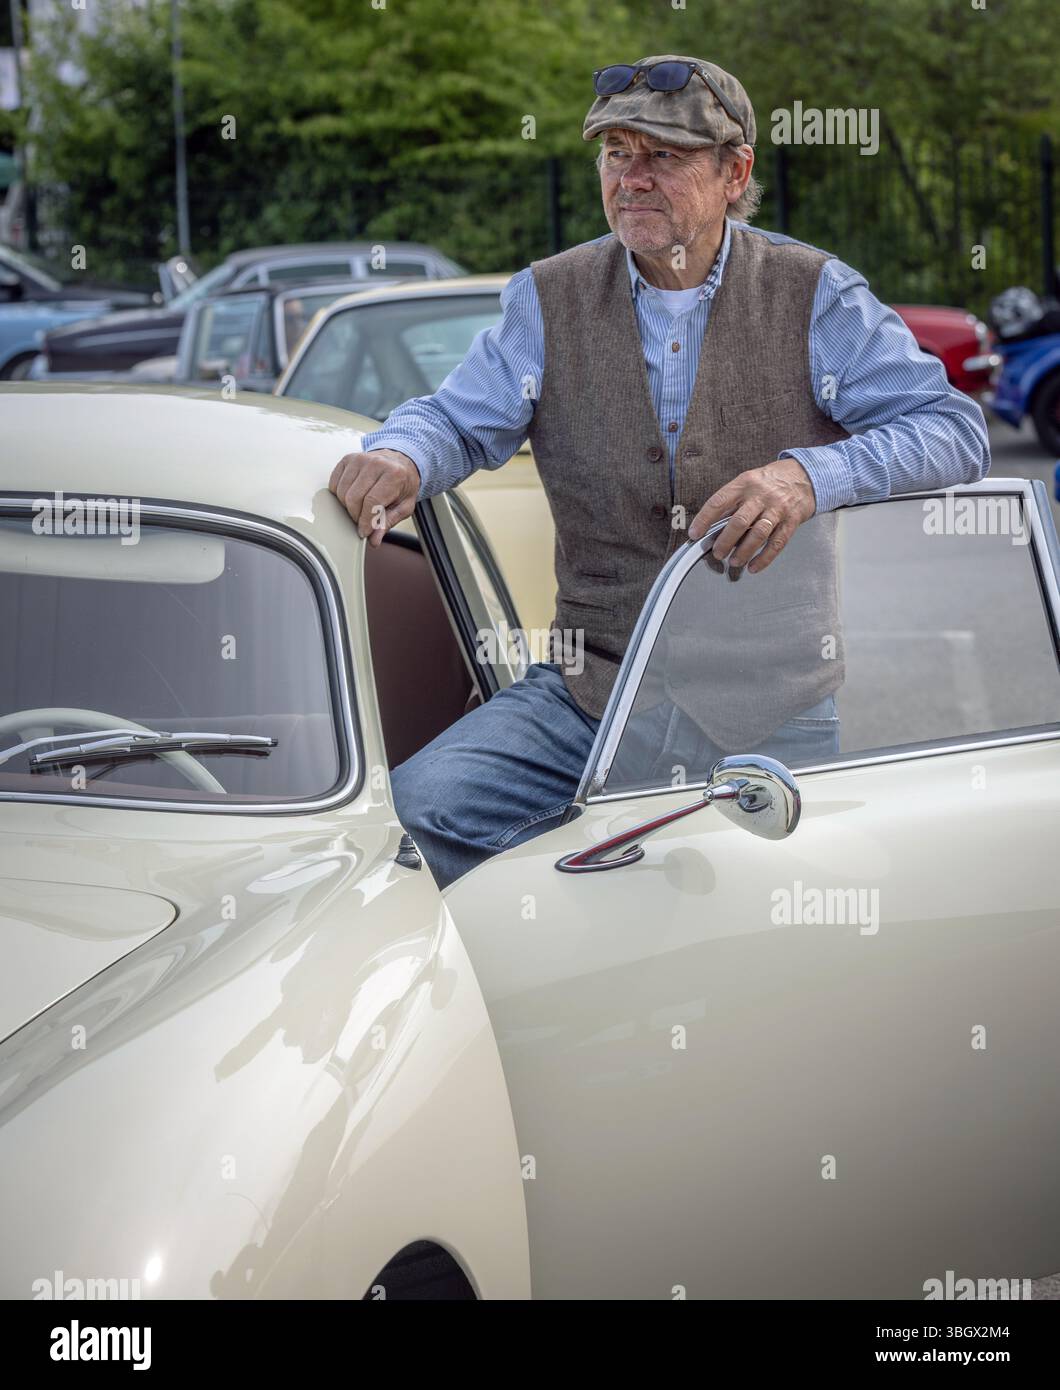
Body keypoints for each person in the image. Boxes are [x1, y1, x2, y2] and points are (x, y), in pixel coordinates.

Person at [329, 54, 989, 889]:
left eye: (664, 156)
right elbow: (456, 419)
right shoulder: (548, 297)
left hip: (771, 711)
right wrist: (401, 454)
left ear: (734, 171)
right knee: (412, 825)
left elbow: (953, 431)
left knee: (793, 921)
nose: (632, 180)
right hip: (591, 695)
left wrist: (806, 477)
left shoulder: (814, 293)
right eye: (616, 154)